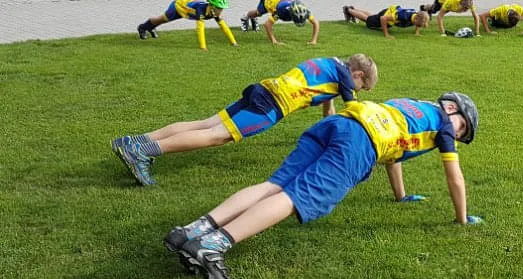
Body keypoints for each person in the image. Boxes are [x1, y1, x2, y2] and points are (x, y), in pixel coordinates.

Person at [165, 93, 484, 279]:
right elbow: (454, 178)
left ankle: (191, 231)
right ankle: (212, 246)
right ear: (451, 108)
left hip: (339, 123)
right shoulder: (442, 126)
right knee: (295, 198)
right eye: (462, 127)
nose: (457, 135)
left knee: (275, 184)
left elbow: (393, 156)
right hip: (359, 143)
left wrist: (400, 196)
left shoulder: (413, 106)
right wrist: (462, 219)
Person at [111, 55, 378, 186]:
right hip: (272, 105)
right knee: (217, 136)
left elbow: (328, 108)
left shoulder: (330, 64)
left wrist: (327, 135)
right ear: (357, 75)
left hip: (262, 89)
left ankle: (133, 141)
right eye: (362, 86)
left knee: (206, 124)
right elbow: (353, 111)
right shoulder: (346, 78)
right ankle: (141, 152)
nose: (358, 90)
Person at [136, 0, 238, 51]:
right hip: (178, 7)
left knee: (162, 20)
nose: (220, 11)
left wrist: (234, 43)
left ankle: (151, 27)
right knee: (162, 19)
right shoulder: (201, 10)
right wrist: (203, 47)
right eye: (219, 8)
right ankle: (142, 27)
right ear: (211, 6)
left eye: (221, 9)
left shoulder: (213, 12)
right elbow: (200, 29)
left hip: (187, 10)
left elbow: (224, 27)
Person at [240, 0, 319, 45]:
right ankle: (245, 17)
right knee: (258, 13)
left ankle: (253, 19)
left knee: (257, 15)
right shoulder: (281, 11)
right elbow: (267, 24)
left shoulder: (304, 10)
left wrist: (314, 40)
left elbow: (316, 23)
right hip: (268, 0)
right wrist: (274, 41)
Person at [342, 4, 429, 38]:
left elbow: (419, 22)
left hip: (391, 12)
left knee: (371, 17)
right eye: (418, 25)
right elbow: (383, 18)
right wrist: (386, 34)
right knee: (368, 20)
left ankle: (353, 9)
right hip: (386, 15)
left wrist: (417, 32)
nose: (418, 26)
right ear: (416, 19)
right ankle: (348, 10)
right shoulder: (403, 17)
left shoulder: (416, 15)